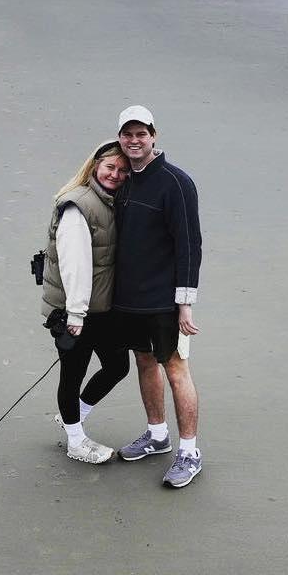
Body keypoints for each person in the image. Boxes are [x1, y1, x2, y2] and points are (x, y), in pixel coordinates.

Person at [111, 106, 204, 487]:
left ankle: (189, 452)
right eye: (127, 134)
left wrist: (185, 302)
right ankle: (157, 434)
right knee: (144, 362)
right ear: (120, 137)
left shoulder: (176, 183)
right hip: (130, 300)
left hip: (165, 302)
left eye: (141, 133)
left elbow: (190, 245)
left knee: (175, 368)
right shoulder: (121, 180)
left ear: (154, 135)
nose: (135, 140)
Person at [39, 141, 132, 464]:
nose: (116, 175)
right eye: (110, 168)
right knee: (72, 374)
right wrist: (76, 314)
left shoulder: (109, 201)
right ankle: (76, 442)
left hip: (101, 309)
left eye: (122, 170)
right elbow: (74, 264)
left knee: (118, 366)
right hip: (75, 311)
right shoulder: (78, 205)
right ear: (95, 166)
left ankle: (72, 416)